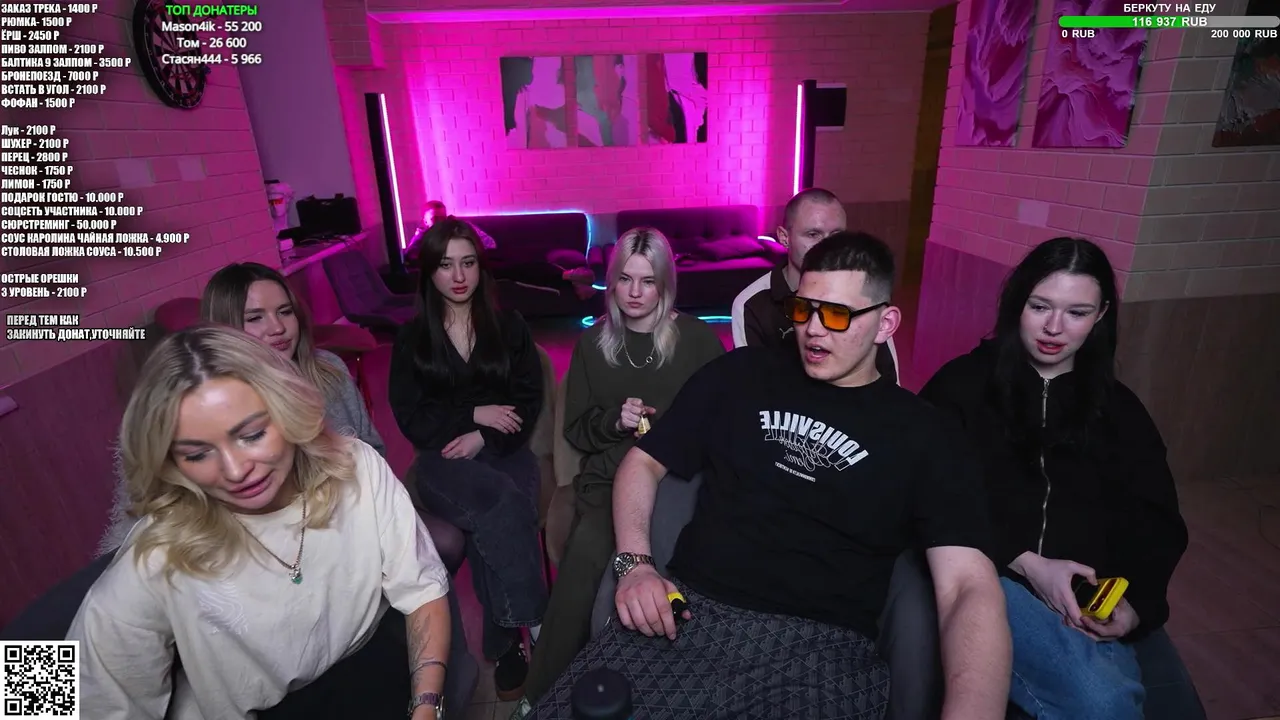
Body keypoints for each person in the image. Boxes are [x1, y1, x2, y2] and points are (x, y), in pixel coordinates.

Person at [530, 232, 1012, 720]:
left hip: (824, 650)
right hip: (692, 613)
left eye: (837, 315)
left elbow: (967, 586)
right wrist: (635, 564)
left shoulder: (925, 432)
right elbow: (644, 461)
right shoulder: (741, 374)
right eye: (805, 309)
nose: (814, 330)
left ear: (885, 323)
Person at [67, 325, 451, 720]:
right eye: (197, 455)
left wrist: (427, 707)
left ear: (288, 410)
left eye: (252, 435)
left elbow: (422, 588)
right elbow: (73, 697)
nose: (235, 471)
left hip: (376, 669)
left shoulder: (357, 466)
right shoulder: (156, 555)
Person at [918, 237, 1189, 720]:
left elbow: (1158, 522)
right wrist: (1027, 563)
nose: (1054, 328)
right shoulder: (958, 387)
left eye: (1077, 312)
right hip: (987, 576)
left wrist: (1136, 605)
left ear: (1101, 315)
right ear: (1016, 303)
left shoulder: (1121, 411)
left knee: (1114, 699)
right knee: (1104, 703)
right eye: (1040, 306)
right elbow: (926, 499)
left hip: (1086, 599)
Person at [95, 263, 468, 571]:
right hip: (263, 539)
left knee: (443, 546)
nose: (277, 328)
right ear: (225, 327)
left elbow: (373, 451)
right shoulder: (204, 400)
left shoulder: (329, 369)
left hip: (350, 509)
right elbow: (153, 509)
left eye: (285, 312)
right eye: (255, 317)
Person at [514, 228, 726, 714]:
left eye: (647, 281)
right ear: (611, 282)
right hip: (609, 480)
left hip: (681, 481)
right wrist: (615, 420)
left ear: (664, 284)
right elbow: (577, 431)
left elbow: (723, 420)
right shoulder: (594, 343)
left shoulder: (697, 339)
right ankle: (538, 697)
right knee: (588, 554)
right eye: (625, 279)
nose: (634, 292)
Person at [389, 218, 548, 701]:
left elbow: (527, 401)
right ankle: (538, 625)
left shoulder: (509, 326)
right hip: (442, 461)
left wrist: (483, 436)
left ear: (481, 267)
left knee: (497, 514)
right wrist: (473, 414)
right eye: (445, 265)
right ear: (429, 273)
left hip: (505, 448)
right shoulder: (412, 337)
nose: (459, 276)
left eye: (468, 263)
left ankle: (503, 643)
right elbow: (412, 418)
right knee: (501, 502)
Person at [731, 187, 898, 383]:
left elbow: (888, 381)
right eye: (813, 234)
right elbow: (751, 386)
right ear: (784, 237)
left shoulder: (863, 296)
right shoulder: (752, 304)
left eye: (836, 235)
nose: (827, 245)